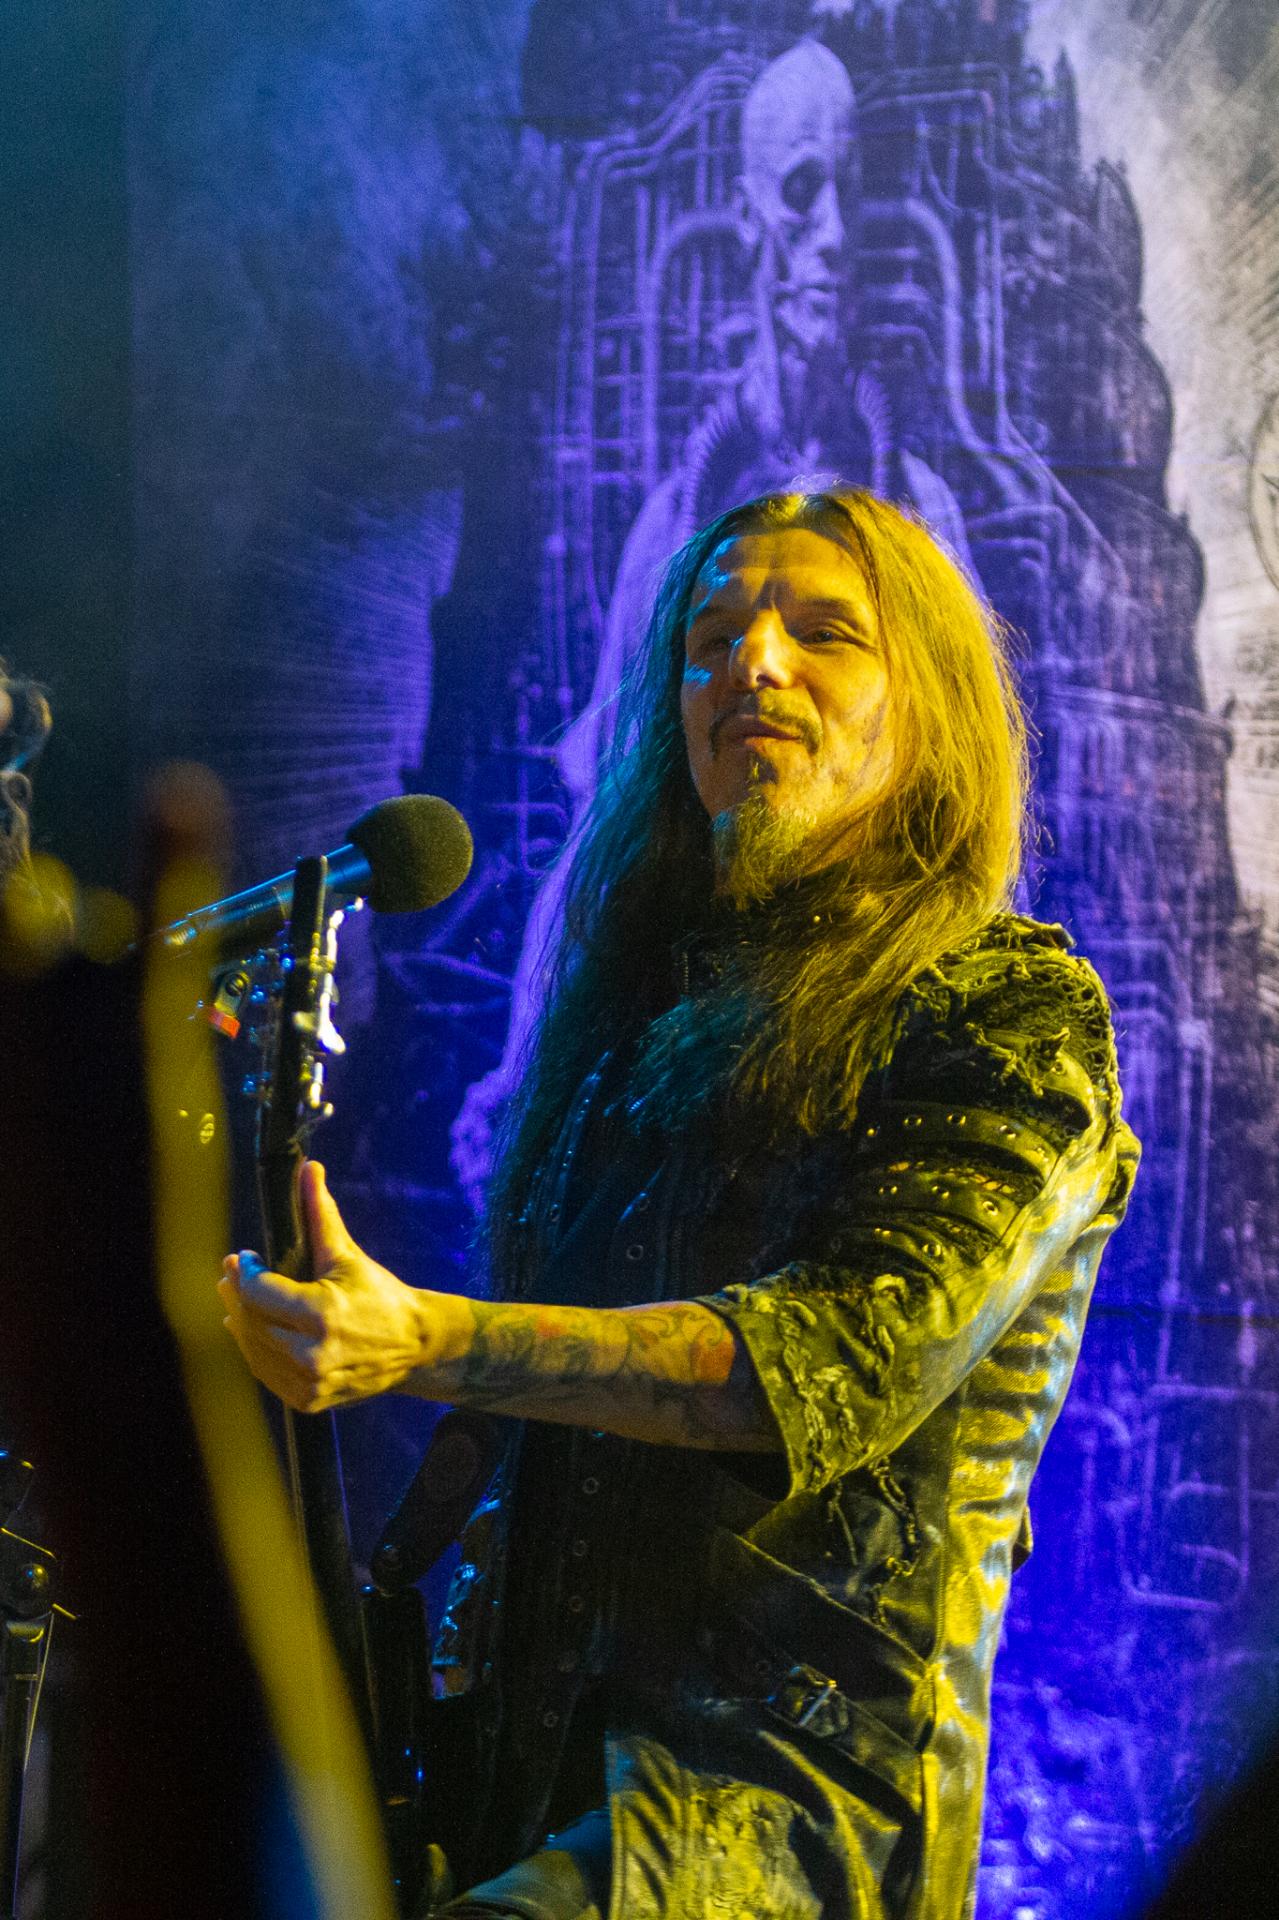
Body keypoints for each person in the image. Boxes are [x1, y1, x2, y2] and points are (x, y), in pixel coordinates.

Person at [221, 487, 1139, 1919]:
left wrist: (427, 1341)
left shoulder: (1008, 1005)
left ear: (932, 707)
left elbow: (826, 1362)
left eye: (823, 632)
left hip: (782, 1807)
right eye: (711, 641)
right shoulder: (643, 1019)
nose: (753, 664)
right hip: (531, 1782)